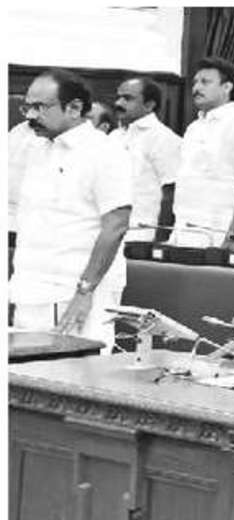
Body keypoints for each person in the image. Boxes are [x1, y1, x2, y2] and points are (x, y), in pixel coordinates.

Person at [10, 70, 133, 342]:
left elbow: (116, 225)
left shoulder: (105, 151)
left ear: (74, 108)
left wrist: (84, 291)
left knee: (79, 366)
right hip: (30, 290)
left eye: (40, 107)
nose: (31, 115)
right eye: (28, 107)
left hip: (77, 294)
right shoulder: (34, 148)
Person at [177, 56, 234, 249]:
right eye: (195, 82)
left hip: (221, 237)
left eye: (205, 82)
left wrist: (232, 238)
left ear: (227, 87)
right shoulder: (193, 128)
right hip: (184, 232)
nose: (196, 88)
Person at [112, 76, 182, 243]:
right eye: (118, 97)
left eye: (127, 98)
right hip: (109, 232)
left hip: (142, 236)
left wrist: (160, 240)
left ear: (149, 105)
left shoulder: (163, 138)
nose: (118, 103)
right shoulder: (115, 136)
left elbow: (172, 192)